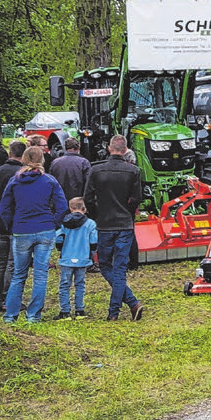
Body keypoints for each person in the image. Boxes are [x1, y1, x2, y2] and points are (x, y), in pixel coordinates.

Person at [0, 146, 68, 323]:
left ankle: (10, 314)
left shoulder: (15, 181)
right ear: (42, 160)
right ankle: (33, 315)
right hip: (45, 229)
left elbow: (4, 208)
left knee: (19, 274)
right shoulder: (49, 181)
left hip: (21, 229)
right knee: (40, 274)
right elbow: (62, 206)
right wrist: (55, 223)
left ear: (23, 159)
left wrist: (11, 225)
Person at [84, 135, 145, 322]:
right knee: (119, 268)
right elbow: (136, 199)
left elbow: (88, 198)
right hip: (124, 224)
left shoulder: (96, 170)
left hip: (105, 223)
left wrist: (96, 214)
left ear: (110, 148)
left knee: (105, 266)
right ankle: (130, 304)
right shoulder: (133, 171)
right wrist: (127, 212)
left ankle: (115, 311)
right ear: (126, 150)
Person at [0, 140, 25, 312]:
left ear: (10, 153)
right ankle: (8, 298)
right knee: (13, 262)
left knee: (1, 262)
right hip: (15, 222)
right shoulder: (20, 173)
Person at [54, 197, 97, 321]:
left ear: (70, 208)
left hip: (67, 258)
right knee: (80, 284)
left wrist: (61, 250)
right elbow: (94, 242)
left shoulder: (64, 223)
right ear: (84, 208)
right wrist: (91, 253)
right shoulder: (90, 224)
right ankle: (79, 310)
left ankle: (65, 311)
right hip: (83, 258)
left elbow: (59, 239)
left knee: (64, 285)